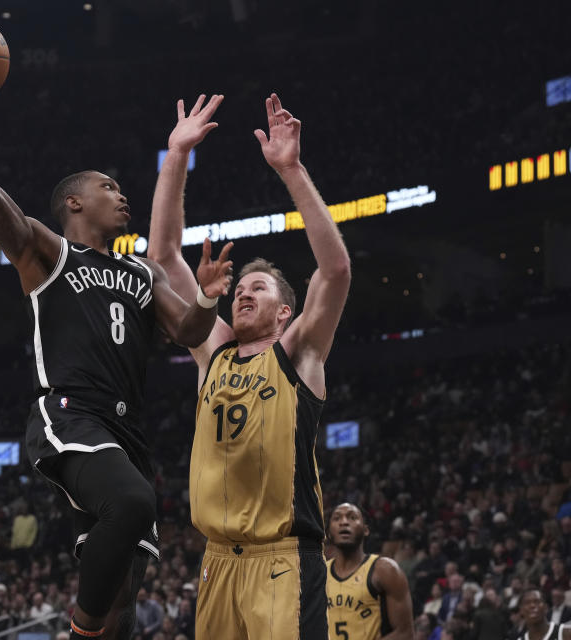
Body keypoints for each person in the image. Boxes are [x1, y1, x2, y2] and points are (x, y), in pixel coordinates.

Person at [0, 29, 234, 640]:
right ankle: (77, 631)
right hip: (70, 415)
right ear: (74, 204)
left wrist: (206, 296)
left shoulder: (139, 271)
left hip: (125, 428)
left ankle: (99, 628)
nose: (122, 195)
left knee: (126, 596)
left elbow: (189, 329)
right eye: (108, 187)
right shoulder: (46, 253)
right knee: (133, 504)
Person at [147, 92, 352, 640]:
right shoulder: (212, 351)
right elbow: (163, 258)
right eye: (238, 287)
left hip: (283, 558)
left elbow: (334, 271)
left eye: (257, 289)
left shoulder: (298, 352)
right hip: (217, 561)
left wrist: (291, 169)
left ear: (285, 311)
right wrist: (177, 156)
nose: (242, 293)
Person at [325, 503, 413, 640]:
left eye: (352, 517)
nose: (344, 522)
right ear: (329, 533)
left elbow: (405, 633)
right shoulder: (319, 574)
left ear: (366, 530)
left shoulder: (386, 570)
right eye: (337, 518)